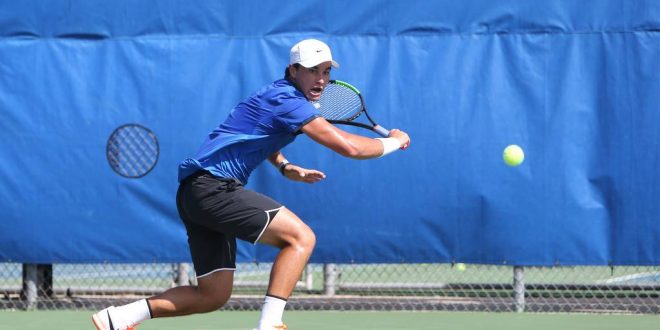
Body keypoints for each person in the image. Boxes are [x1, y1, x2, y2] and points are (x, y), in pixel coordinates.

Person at [92, 38, 410, 330]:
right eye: (313, 71)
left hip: (194, 194)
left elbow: (258, 138)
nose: (322, 80)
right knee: (300, 238)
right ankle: (269, 325)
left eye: (326, 72)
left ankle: (118, 317)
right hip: (213, 188)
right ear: (293, 70)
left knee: (213, 295)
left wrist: (285, 167)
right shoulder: (289, 101)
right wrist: (394, 142)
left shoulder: (277, 95)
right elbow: (350, 147)